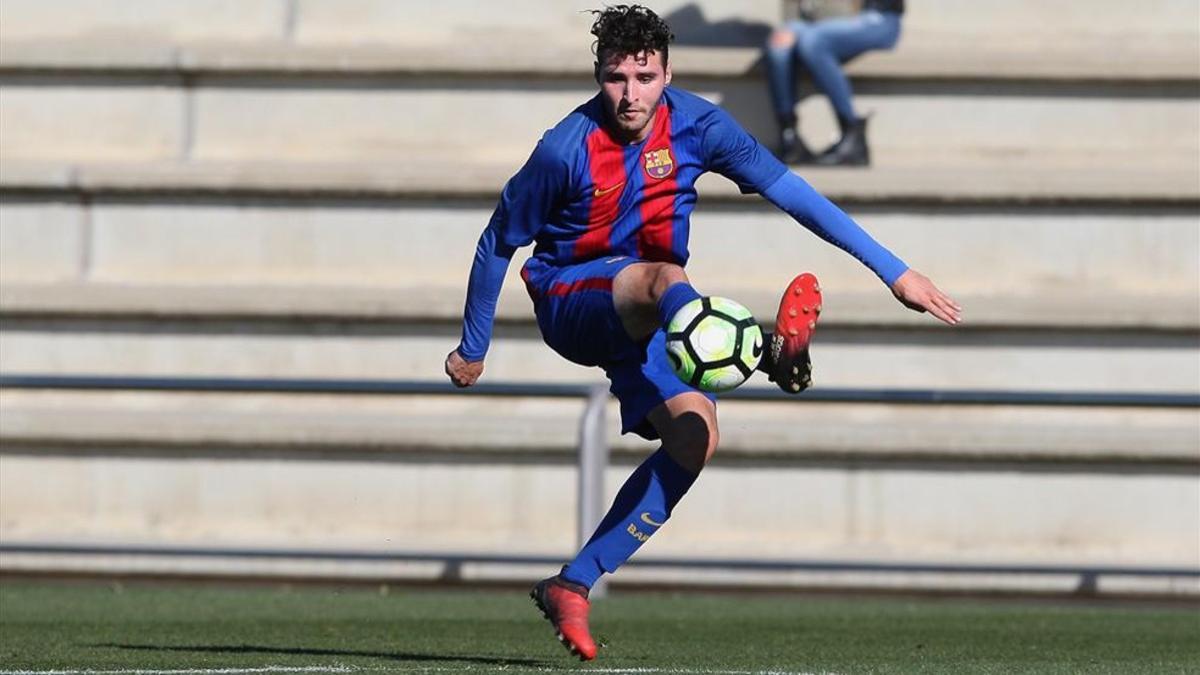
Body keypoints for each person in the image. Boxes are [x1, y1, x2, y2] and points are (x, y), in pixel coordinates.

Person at [445, 4, 959, 661]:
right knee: (662, 277)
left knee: (695, 438)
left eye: (644, 76)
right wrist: (473, 346)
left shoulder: (697, 125)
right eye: (614, 77)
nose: (630, 94)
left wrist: (895, 271)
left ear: (667, 72)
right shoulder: (564, 149)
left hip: (656, 314)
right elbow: (497, 242)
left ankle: (574, 581)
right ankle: (762, 352)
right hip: (571, 299)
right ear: (597, 75)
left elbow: (792, 190)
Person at [764, 0, 905, 166]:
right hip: (819, 21)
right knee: (779, 42)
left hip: (877, 17)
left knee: (812, 41)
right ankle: (789, 136)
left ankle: (852, 134)